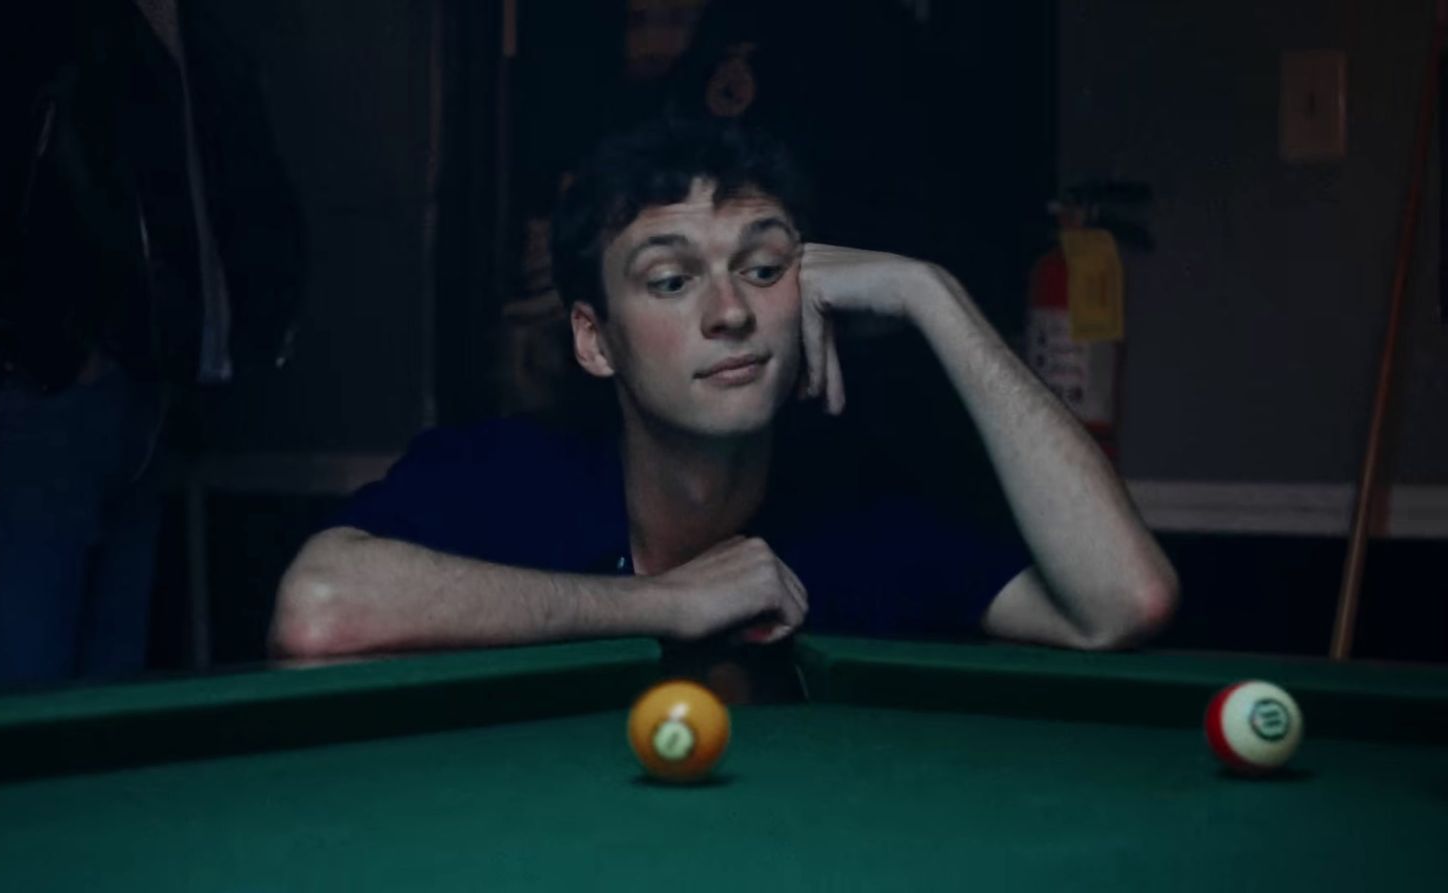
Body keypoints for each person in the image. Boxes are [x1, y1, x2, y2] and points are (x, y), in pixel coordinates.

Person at [272, 119, 1176, 699]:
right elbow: (318, 609)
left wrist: (930, 293)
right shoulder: (508, 474)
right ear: (596, 340)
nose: (731, 310)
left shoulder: (864, 516)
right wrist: (662, 603)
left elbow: (1123, 602)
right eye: (671, 279)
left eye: (764, 267)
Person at [0, 0, 302, 694]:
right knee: (1, 715)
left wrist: (204, 351)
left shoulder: (195, 29)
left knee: (94, 717)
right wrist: (46, 333)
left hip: (140, 393)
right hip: (23, 385)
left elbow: (219, 200)